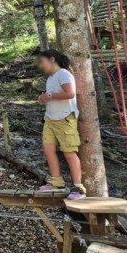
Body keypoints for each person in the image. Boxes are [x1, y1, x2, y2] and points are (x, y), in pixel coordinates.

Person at [36, 49, 86, 200]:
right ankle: (56, 181)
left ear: (52, 59)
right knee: (48, 149)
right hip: (50, 118)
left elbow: (70, 93)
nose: (41, 66)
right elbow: (53, 96)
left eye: (42, 62)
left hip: (65, 118)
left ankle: (78, 188)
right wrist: (45, 98)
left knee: (69, 153)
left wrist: (49, 96)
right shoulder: (50, 78)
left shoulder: (63, 74)